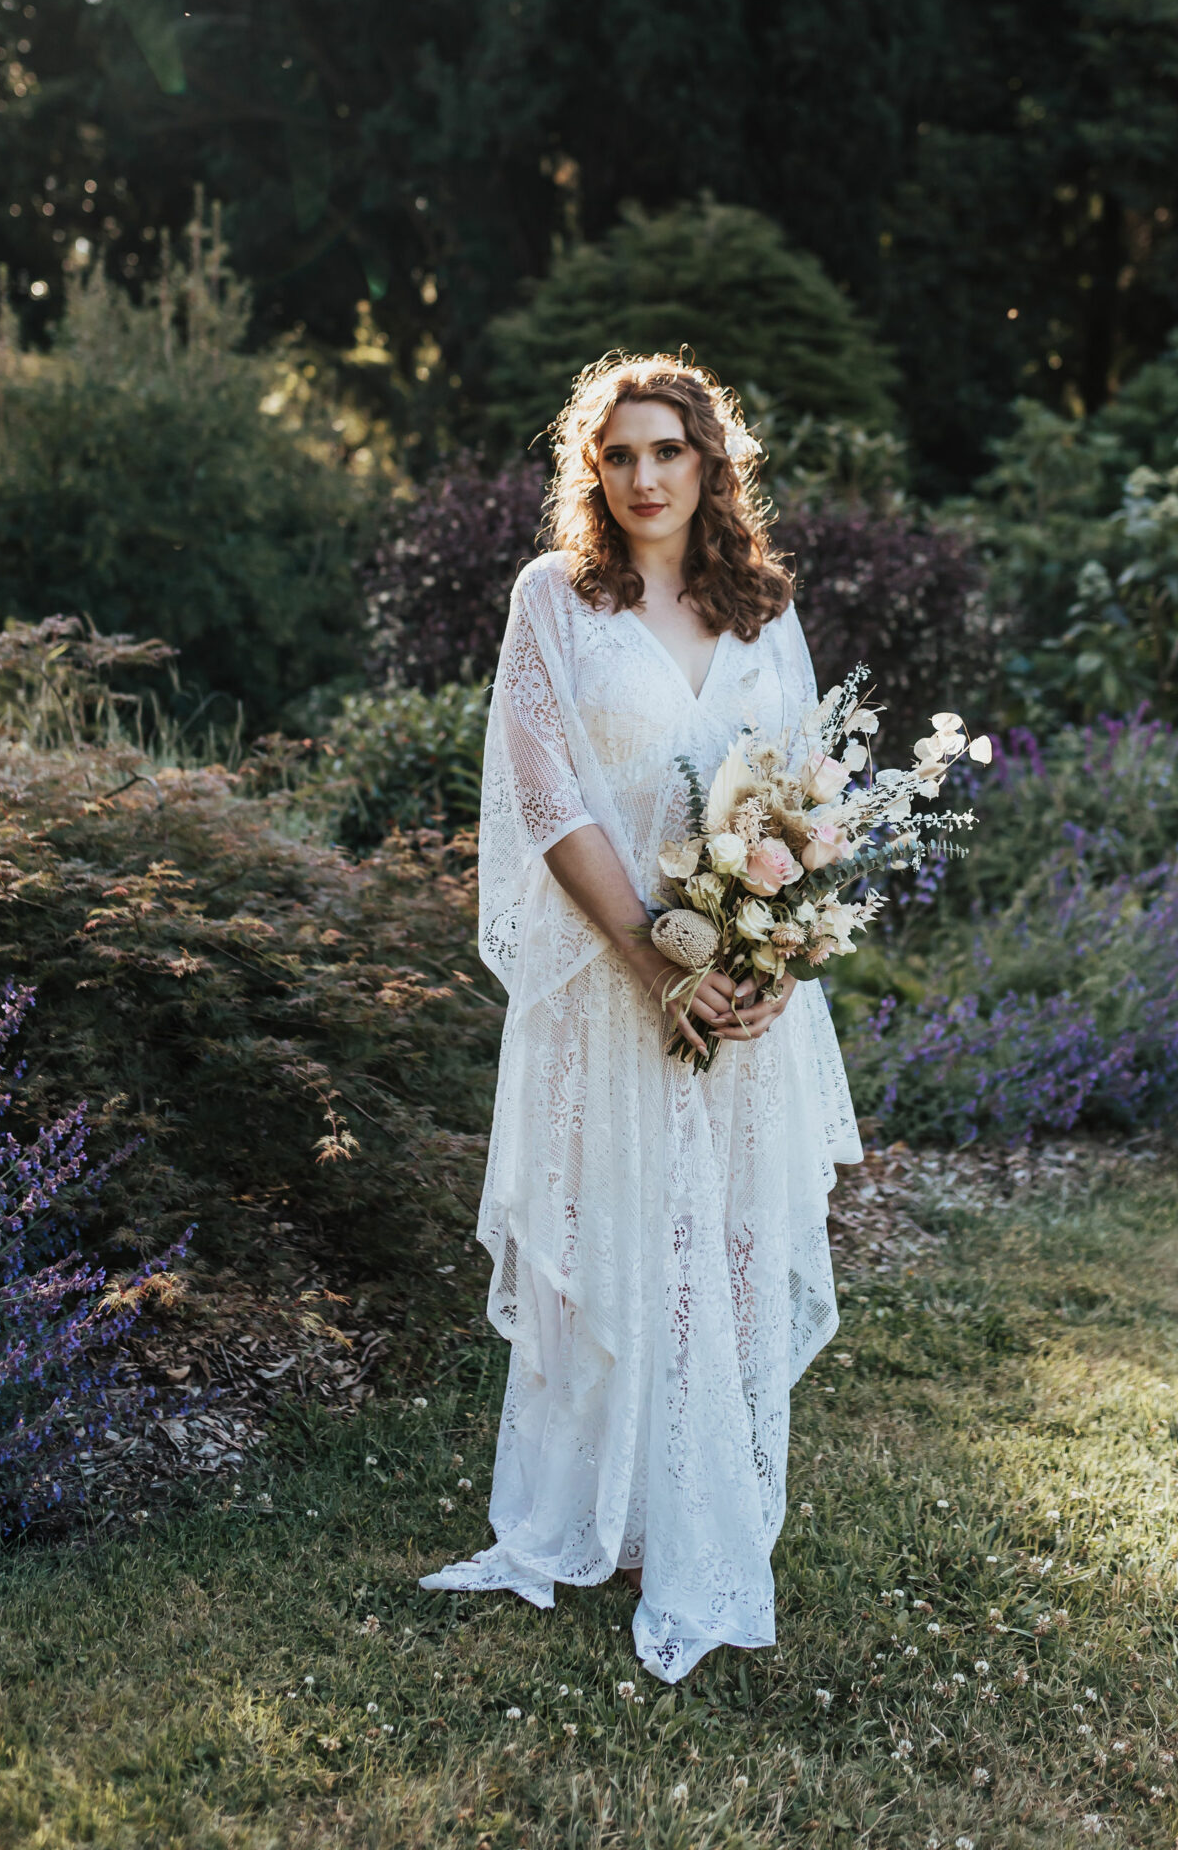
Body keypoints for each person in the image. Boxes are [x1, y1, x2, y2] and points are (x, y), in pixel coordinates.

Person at [419, 354, 862, 1682]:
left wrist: (775, 955)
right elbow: (548, 800)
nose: (646, 476)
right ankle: (596, 1520)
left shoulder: (764, 610)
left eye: (668, 451)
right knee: (614, 1237)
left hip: (744, 992)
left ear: (708, 463)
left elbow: (804, 801)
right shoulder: (554, 602)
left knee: (723, 1242)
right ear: (591, 472)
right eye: (619, 456)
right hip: (612, 985)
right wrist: (653, 959)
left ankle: (695, 1512)